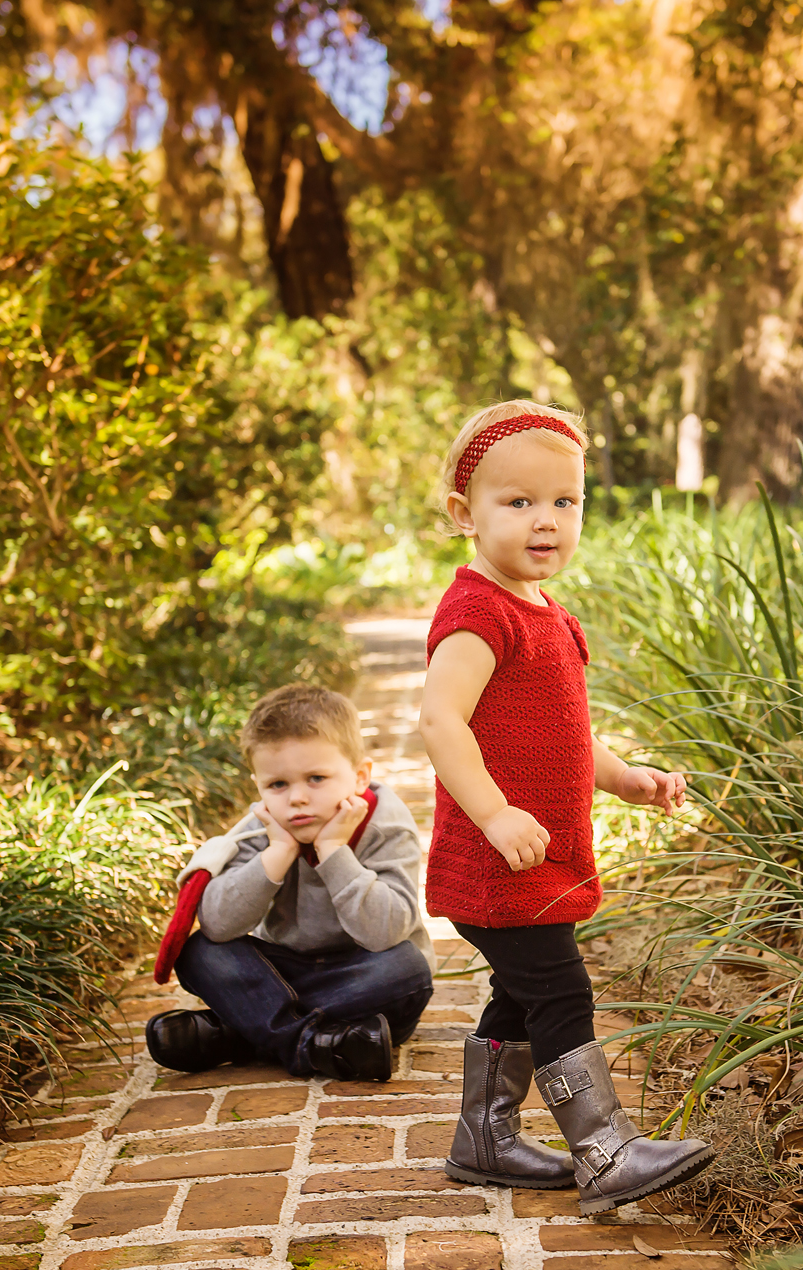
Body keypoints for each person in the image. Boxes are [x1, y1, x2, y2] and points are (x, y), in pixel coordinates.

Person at [418, 399, 713, 1214]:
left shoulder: (551, 615)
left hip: (538, 860)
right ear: (463, 514)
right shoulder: (479, 614)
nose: (545, 521)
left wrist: (626, 778)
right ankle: (605, 1148)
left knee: (520, 994)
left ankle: (485, 1138)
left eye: (565, 501)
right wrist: (496, 812)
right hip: (500, 856)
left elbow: (566, 736)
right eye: (518, 503)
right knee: (561, 992)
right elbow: (441, 721)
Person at [148, 684, 432, 1082]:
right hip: (283, 973)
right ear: (259, 786)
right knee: (200, 952)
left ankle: (241, 1032)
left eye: (316, 778)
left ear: (359, 777)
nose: (296, 798)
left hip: (362, 977)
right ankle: (315, 1046)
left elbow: (386, 931)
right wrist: (277, 854)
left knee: (407, 968)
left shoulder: (385, 823)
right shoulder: (260, 830)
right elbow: (218, 924)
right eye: (277, 785)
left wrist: (333, 849)